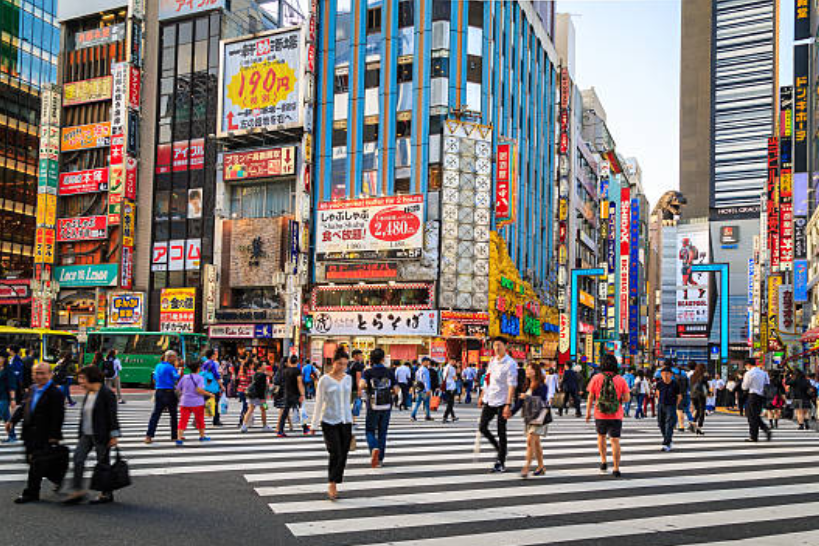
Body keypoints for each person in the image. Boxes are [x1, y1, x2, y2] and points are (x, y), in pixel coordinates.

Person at [6, 362, 65, 503]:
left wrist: (54, 436)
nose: (39, 376)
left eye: (42, 373)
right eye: (36, 373)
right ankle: (58, 478)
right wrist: (12, 421)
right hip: (29, 433)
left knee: (36, 463)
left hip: (44, 434)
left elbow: (58, 416)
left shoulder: (55, 393)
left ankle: (31, 493)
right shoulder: (31, 389)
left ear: (50, 375)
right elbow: (23, 407)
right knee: (33, 461)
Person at [63, 366, 120, 505]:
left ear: (92, 377)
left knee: (103, 464)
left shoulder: (107, 394)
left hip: (101, 434)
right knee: (78, 459)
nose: (79, 382)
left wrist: (114, 436)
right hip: (86, 434)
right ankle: (78, 491)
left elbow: (112, 416)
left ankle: (106, 493)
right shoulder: (89, 393)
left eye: (82, 378)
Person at [312, 348, 353, 500]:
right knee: (335, 452)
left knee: (343, 453)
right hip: (329, 420)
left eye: (345, 364)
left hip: (345, 420)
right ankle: (332, 483)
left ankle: (336, 479)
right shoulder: (324, 380)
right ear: (333, 363)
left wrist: (352, 418)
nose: (342, 367)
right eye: (339, 363)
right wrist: (314, 425)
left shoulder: (348, 378)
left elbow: (348, 400)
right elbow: (319, 402)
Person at [586, 354, 630, 477]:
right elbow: (627, 398)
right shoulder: (621, 379)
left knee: (601, 437)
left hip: (600, 414)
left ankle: (604, 461)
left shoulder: (596, 378)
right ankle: (616, 468)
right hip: (616, 414)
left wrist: (588, 413)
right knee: (615, 441)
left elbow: (590, 397)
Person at [479, 337, 518, 473]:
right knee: (482, 427)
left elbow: (511, 385)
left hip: (502, 401)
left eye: (499, 345)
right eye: (494, 345)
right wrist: (482, 395)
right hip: (490, 399)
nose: (496, 348)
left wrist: (508, 404)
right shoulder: (492, 360)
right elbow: (487, 378)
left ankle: (500, 462)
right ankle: (500, 449)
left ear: (505, 346)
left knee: (501, 432)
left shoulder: (510, 363)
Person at [360, 348, 397, 468]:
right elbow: (396, 389)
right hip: (386, 405)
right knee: (382, 432)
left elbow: (361, 385)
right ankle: (380, 459)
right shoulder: (389, 372)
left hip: (373, 405)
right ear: (383, 359)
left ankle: (373, 447)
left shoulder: (368, 372)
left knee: (370, 430)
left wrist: (366, 387)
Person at [145, 350, 182, 444]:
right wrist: (179, 370)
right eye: (174, 357)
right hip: (169, 392)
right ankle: (174, 436)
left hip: (159, 391)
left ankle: (149, 436)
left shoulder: (158, 366)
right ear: (170, 358)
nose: (175, 359)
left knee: (156, 414)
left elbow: (154, 377)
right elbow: (176, 377)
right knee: (173, 415)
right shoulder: (170, 367)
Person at [520, 361, 550, 478]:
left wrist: (527, 397)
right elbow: (521, 401)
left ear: (536, 371)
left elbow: (542, 399)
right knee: (536, 443)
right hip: (530, 417)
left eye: (530, 369)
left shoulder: (542, 385)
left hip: (539, 416)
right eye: (527, 369)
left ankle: (526, 466)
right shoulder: (527, 385)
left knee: (530, 440)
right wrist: (510, 411)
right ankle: (541, 466)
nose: (527, 371)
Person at [177, 360, 215, 445]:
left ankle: (179, 438)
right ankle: (202, 436)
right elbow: (199, 390)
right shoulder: (199, 378)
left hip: (185, 402)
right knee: (200, 420)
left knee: (183, 420)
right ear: (198, 369)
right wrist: (210, 394)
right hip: (197, 403)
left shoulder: (185, 377)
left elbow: (178, 388)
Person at [742, 360, 772, 442]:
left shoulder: (749, 373)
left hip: (752, 395)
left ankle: (754, 435)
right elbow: (767, 383)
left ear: (748, 364)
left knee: (751, 416)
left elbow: (745, 386)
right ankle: (764, 430)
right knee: (755, 415)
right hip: (761, 396)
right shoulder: (763, 373)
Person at [277, 355, 307, 437]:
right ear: (297, 362)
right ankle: (305, 428)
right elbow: (299, 383)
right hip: (296, 394)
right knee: (301, 411)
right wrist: (302, 394)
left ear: (289, 361)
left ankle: (280, 430)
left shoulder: (285, 371)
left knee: (285, 412)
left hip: (287, 393)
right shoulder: (297, 370)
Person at [656, 366, 682, 451]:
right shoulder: (659, 383)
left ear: (671, 374)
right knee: (661, 423)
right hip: (661, 405)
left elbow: (679, 396)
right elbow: (658, 393)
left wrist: (675, 405)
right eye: (663, 374)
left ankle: (666, 444)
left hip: (671, 405)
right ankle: (668, 439)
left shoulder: (675, 384)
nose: (665, 376)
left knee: (669, 424)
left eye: (667, 374)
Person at [242, 362, 271, 433]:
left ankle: (244, 425)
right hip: (260, 396)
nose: (265, 366)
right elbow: (262, 388)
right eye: (264, 365)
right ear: (260, 367)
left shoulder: (255, 374)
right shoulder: (263, 375)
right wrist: (263, 399)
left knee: (250, 410)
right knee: (264, 409)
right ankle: (265, 426)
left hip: (253, 395)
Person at [200, 349, 223, 427]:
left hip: (205, 387)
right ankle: (216, 420)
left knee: (202, 404)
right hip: (213, 387)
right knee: (216, 404)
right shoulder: (213, 364)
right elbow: (217, 375)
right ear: (212, 355)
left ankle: (197, 420)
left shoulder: (204, 363)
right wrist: (222, 386)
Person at [0, 350, 18, 443]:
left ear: (4, 359)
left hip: (4, 397)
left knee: (6, 417)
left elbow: (12, 385)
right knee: (4, 416)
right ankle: (12, 435)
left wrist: (12, 399)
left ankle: (12, 435)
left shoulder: (8, 369)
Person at [688, 363, 708, 435]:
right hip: (700, 395)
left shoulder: (692, 376)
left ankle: (693, 422)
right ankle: (699, 427)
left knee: (697, 410)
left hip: (693, 395)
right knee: (702, 411)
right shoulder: (703, 376)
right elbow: (706, 385)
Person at [348, 350, 366, 423]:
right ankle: (353, 419)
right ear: (355, 356)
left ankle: (347, 418)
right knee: (355, 404)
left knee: (348, 403)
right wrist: (359, 389)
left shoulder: (348, 363)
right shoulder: (358, 365)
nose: (361, 357)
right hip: (354, 387)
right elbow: (358, 378)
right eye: (360, 355)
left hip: (347, 386)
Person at [441, 358, 459, 423]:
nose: (454, 362)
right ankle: (445, 417)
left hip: (446, 386)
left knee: (449, 403)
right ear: (451, 361)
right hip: (451, 387)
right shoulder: (452, 368)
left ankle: (453, 416)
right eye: (454, 361)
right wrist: (457, 377)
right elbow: (455, 378)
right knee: (450, 403)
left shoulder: (445, 367)